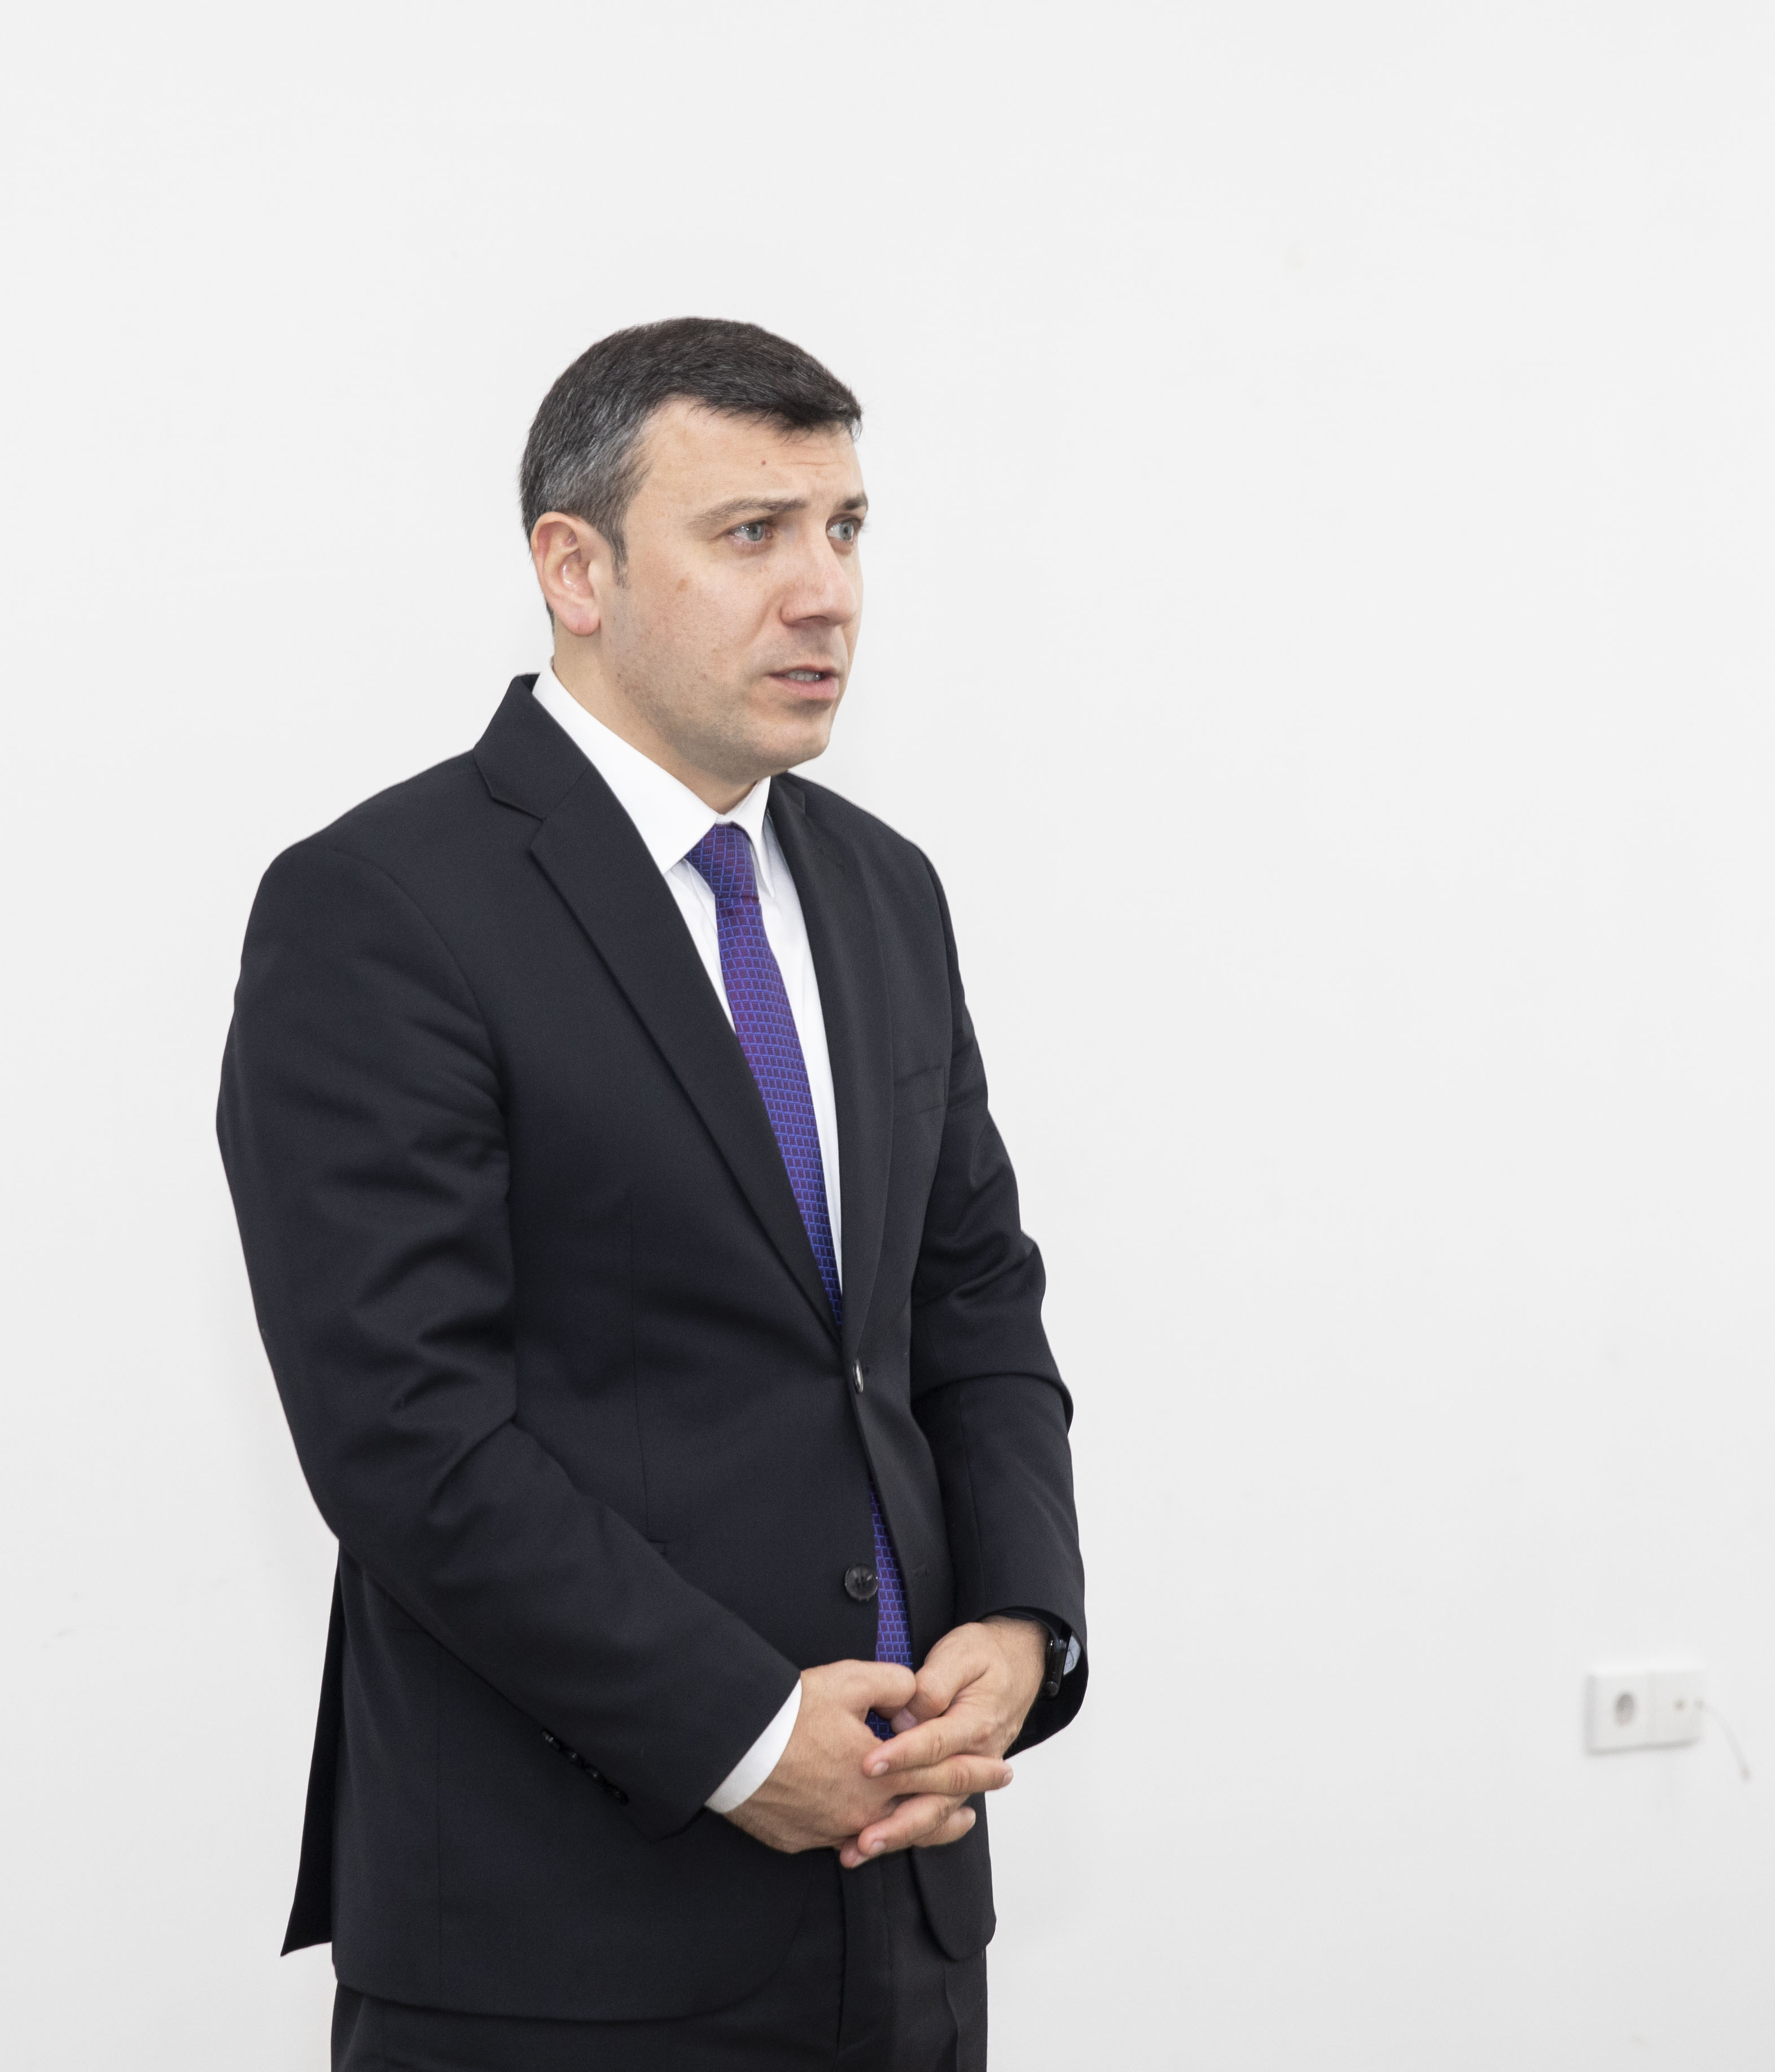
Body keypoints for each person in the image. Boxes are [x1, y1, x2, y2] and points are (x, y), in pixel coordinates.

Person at [217, 317, 1088, 2070]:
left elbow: (969, 1298)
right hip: (559, 1943)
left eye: (844, 529)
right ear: (575, 570)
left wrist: (1017, 1622)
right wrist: (745, 1736)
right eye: (750, 533)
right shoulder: (381, 906)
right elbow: (403, 1432)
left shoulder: (882, 890)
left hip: (903, 1903)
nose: (824, 593)